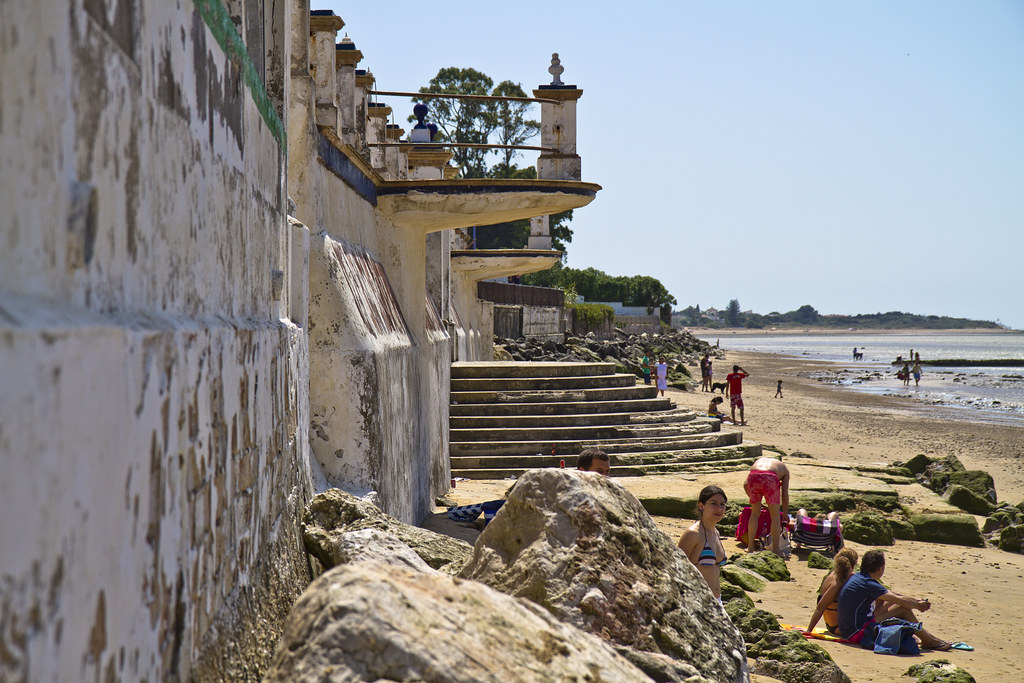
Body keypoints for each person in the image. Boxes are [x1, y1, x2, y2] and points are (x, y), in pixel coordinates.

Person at [837, 549, 951, 650]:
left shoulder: (861, 577)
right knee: (902, 609)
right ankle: (928, 640)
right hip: (857, 632)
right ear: (881, 568)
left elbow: (893, 595)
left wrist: (917, 601)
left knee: (892, 601)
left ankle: (928, 638)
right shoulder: (867, 583)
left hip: (849, 628)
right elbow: (899, 600)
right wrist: (918, 606)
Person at [678, 485, 729, 600]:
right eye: (713, 503)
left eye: (722, 504)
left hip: (717, 601)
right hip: (698, 600)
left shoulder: (715, 532)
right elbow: (676, 567)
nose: (719, 509)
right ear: (701, 506)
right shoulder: (693, 534)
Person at [743, 456, 790, 556]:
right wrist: (785, 512)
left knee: (754, 514)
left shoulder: (758, 461)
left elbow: (745, 484)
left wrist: (753, 499)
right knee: (775, 516)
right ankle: (776, 549)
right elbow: (784, 494)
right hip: (770, 478)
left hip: (753, 476)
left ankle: (750, 547)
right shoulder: (784, 469)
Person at [805, 548, 858, 634]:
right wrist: (808, 631)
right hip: (837, 627)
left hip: (834, 625)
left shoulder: (833, 575)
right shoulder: (836, 583)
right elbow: (820, 607)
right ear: (852, 565)